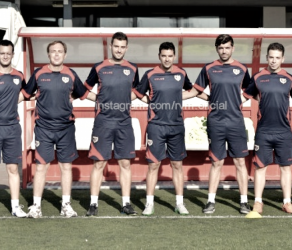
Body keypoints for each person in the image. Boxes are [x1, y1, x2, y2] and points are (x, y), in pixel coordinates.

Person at [20, 41, 96, 218]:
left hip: (66, 129)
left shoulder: (70, 74)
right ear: (48, 54)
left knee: (66, 166)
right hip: (44, 128)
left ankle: (66, 206)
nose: (56, 54)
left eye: (60, 51)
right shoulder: (39, 73)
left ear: (65, 55)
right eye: (53, 51)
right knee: (41, 167)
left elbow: (83, 93)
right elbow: (25, 94)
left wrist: (106, 100)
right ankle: (36, 206)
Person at [185, 34, 251, 214]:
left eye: (227, 47)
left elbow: (251, 90)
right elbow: (196, 90)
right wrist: (210, 98)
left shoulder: (242, 69)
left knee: (239, 161)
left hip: (236, 122)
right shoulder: (209, 68)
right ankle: (210, 201)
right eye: (221, 48)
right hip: (216, 122)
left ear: (233, 48)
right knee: (217, 162)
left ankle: (244, 201)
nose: (224, 51)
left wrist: (239, 101)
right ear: (217, 49)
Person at [134, 42, 197, 216]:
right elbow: (139, 94)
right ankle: (149, 204)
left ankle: (179, 203)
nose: (167, 59)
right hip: (156, 126)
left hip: (176, 126)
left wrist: (177, 98)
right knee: (154, 165)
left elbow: (192, 91)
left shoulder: (181, 73)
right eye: (164, 56)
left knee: (177, 164)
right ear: (159, 56)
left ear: (174, 56)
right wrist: (152, 102)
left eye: (170, 56)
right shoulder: (150, 74)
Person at [242, 42, 292, 215]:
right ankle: (258, 202)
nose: (274, 61)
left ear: (282, 58)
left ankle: (287, 202)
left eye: (277, 58)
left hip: (283, 131)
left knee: (285, 168)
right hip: (264, 131)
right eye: (271, 57)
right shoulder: (258, 77)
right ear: (266, 58)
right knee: (260, 167)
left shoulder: (289, 78)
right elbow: (246, 95)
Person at [85, 32, 139, 216]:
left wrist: (124, 101)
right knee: (99, 163)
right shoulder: (99, 67)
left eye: (122, 47)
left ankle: (126, 204)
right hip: (103, 122)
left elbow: (136, 92)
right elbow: (84, 90)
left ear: (126, 48)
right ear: (111, 46)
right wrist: (99, 100)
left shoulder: (132, 68)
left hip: (124, 122)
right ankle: (93, 204)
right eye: (116, 46)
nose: (119, 49)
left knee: (125, 163)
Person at [0, 40, 27, 217]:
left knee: (13, 169)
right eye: (2, 53)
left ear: (12, 54)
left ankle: (15, 207)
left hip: (13, 128)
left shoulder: (19, 76)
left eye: (8, 53)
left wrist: (14, 101)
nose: (5, 56)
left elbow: (27, 92)